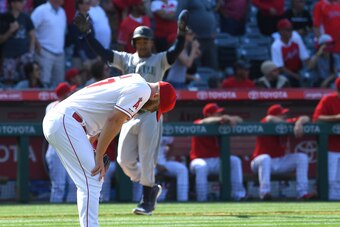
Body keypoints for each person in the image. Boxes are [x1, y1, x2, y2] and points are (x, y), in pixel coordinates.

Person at [73, 9, 188, 215]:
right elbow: (103, 52)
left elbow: (176, 51)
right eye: (139, 41)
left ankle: (147, 199)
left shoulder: (159, 59)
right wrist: (89, 34)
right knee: (123, 160)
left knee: (147, 157)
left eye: (146, 40)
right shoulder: (127, 59)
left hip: (151, 113)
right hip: (129, 113)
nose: (143, 44)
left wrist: (180, 34)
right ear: (133, 43)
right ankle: (150, 187)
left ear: (152, 43)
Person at [42, 73, 178, 226]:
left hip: (68, 122)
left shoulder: (135, 80)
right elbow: (114, 120)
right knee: (92, 178)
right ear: (156, 95)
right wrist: (99, 154)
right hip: (67, 121)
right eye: (156, 107)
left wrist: (91, 143)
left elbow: (102, 113)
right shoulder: (142, 90)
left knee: (90, 179)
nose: (152, 110)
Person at [251, 104, 311, 200]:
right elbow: (269, 118)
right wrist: (288, 123)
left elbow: (306, 118)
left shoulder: (286, 123)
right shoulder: (266, 122)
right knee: (265, 158)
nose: (285, 116)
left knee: (302, 157)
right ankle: (264, 193)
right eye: (281, 114)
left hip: (279, 161)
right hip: (259, 163)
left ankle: (302, 193)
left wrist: (298, 123)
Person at [190, 103, 246, 201]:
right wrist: (221, 119)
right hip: (199, 160)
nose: (220, 115)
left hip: (216, 161)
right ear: (208, 114)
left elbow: (240, 119)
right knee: (202, 167)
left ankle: (239, 195)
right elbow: (203, 122)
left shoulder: (222, 122)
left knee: (235, 160)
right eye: (217, 113)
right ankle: (202, 199)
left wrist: (228, 118)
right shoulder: (199, 122)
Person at [45, 82, 77, 203]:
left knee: (73, 184)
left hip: (69, 150)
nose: (72, 93)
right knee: (59, 186)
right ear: (64, 95)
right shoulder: (52, 107)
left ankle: (71, 215)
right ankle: (54, 215)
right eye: (70, 92)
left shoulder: (71, 105)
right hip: (56, 150)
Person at [313, 77, 340, 200]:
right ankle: (331, 205)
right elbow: (317, 118)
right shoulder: (328, 100)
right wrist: (335, 118)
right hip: (331, 147)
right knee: (331, 179)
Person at [31, 0, 66, 88]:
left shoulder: (62, 12)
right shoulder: (41, 10)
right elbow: (30, 29)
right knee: (43, 82)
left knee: (59, 85)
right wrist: (36, 44)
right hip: (44, 52)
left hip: (60, 54)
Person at [0, 0, 35, 88]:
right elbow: (1, 40)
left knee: (27, 78)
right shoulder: (3, 17)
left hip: (24, 54)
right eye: (19, 2)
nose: (22, 4)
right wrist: (10, 31)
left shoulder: (25, 17)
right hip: (9, 55)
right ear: (12, 3)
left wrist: (30, 52)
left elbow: (32, 35)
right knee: (8, 81)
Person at [271, 18, 310, 87]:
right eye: (288, 30)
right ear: (281, 31)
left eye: (291, 29)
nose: (290, 32)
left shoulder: (296, 37)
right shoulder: (276, 46)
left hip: (298, 69)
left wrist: (307, 70)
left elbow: (305, 57)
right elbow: (280, 68)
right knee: (286, 78)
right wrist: (295, 76)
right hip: (285, 73)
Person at [156, 136, 189, 201]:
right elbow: (143, 151)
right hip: (148, 164)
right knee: (140, 171)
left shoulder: (168, 129)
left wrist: (169, 156)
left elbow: (170, 145)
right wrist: (156, 165)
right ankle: (136, 200)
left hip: (164, 162)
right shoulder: (148, 128)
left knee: (182, 169)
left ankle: (183, 200)